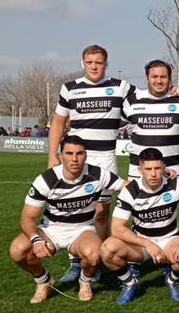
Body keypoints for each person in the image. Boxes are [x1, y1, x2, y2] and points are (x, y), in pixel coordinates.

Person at [46, 44, 134, 285]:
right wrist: (52, 156)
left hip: (105, 158)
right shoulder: (70, 88)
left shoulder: (119, 87)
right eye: (89, 62)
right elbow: (58, 122)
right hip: (76, 158)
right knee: (75, 210)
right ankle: (76, 263)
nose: (94, 66)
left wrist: (176, 92)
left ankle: (98, 261)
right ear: (83, 63)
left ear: (106, 63)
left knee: (101, 212)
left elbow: (148, 98)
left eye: (99, 62)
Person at [8, 135, 123, 303]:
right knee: (17, 250)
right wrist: (36, 239)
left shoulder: (98, 174)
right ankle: (43, 281)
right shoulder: (46, 180)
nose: (74, 159)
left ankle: (84, 281)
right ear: (61, 155)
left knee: (94, 253)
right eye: (69, 153)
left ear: (86, 154)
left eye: (79, 153)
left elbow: (129, 187)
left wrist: (163, 176)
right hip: (51, 229)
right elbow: (27, 218)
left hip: (82, 230)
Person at [99, 148, 179, 305]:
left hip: (169, 239)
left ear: (164, 167)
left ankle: (172, 280)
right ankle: (130, 283)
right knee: (107, 249)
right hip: (141, 244)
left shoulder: (176, 185)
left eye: (157, 168)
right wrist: (148, 244)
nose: (153, 173)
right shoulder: (130, 191)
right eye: (148, 169)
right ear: (140, 169)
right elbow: (117, 228)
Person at [119, 59, 179, 181]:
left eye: (163, 77)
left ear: (170, 79)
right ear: (147, 78)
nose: (159, 81)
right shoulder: (132, 101)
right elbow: (111, 123)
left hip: (172, 174)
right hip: (138, 174)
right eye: (154, 76)